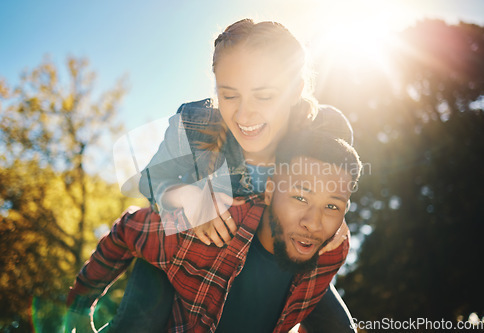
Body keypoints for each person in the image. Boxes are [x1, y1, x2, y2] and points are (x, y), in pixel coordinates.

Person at [67, 18, 356, 332]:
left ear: (295, 90)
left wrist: (334, 218)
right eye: (230, 96)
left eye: (264, 96)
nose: (245, 115)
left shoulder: (324, 130)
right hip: (187, 257)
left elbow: (337, 186)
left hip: (278, 262)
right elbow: (152, 181)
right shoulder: (194, 123)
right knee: (142, 320)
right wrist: (187, 196)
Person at [66, 131, 362, 332]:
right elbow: (128, 230)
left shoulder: (331, 251)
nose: (314, 222)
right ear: (270, 191)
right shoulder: (208, 230)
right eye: (300, 198)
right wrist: (79, 305)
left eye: (333, 207)